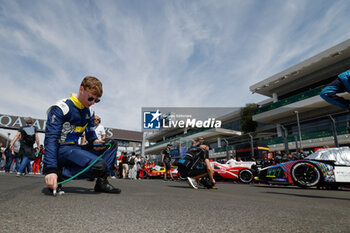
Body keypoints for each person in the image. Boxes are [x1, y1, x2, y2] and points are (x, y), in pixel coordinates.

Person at [43, 76, 121, 194]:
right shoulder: (61, 108)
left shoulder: (89, 112)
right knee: (100, 166)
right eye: (90, 98)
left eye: (96, 100)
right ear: (81, 89)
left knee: (111, 144)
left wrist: (94, 141)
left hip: (75, 148)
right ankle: (60, 173)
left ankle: (102, 182)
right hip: (61, 150)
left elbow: (90, 133)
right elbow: (50, 139)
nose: (93, 103)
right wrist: (50, 169)